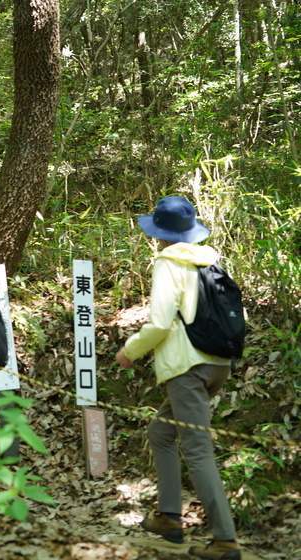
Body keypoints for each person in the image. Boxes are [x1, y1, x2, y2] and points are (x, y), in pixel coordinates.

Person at [115, 196, 241, 560]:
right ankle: (169, 517)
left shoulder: (169, 263)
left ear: (160, 234)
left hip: (188, 368)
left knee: (198, 451)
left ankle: (225, 539)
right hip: (217, 363)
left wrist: (130, 351)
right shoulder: (209, 261)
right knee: (161, 432)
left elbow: (159, 322)